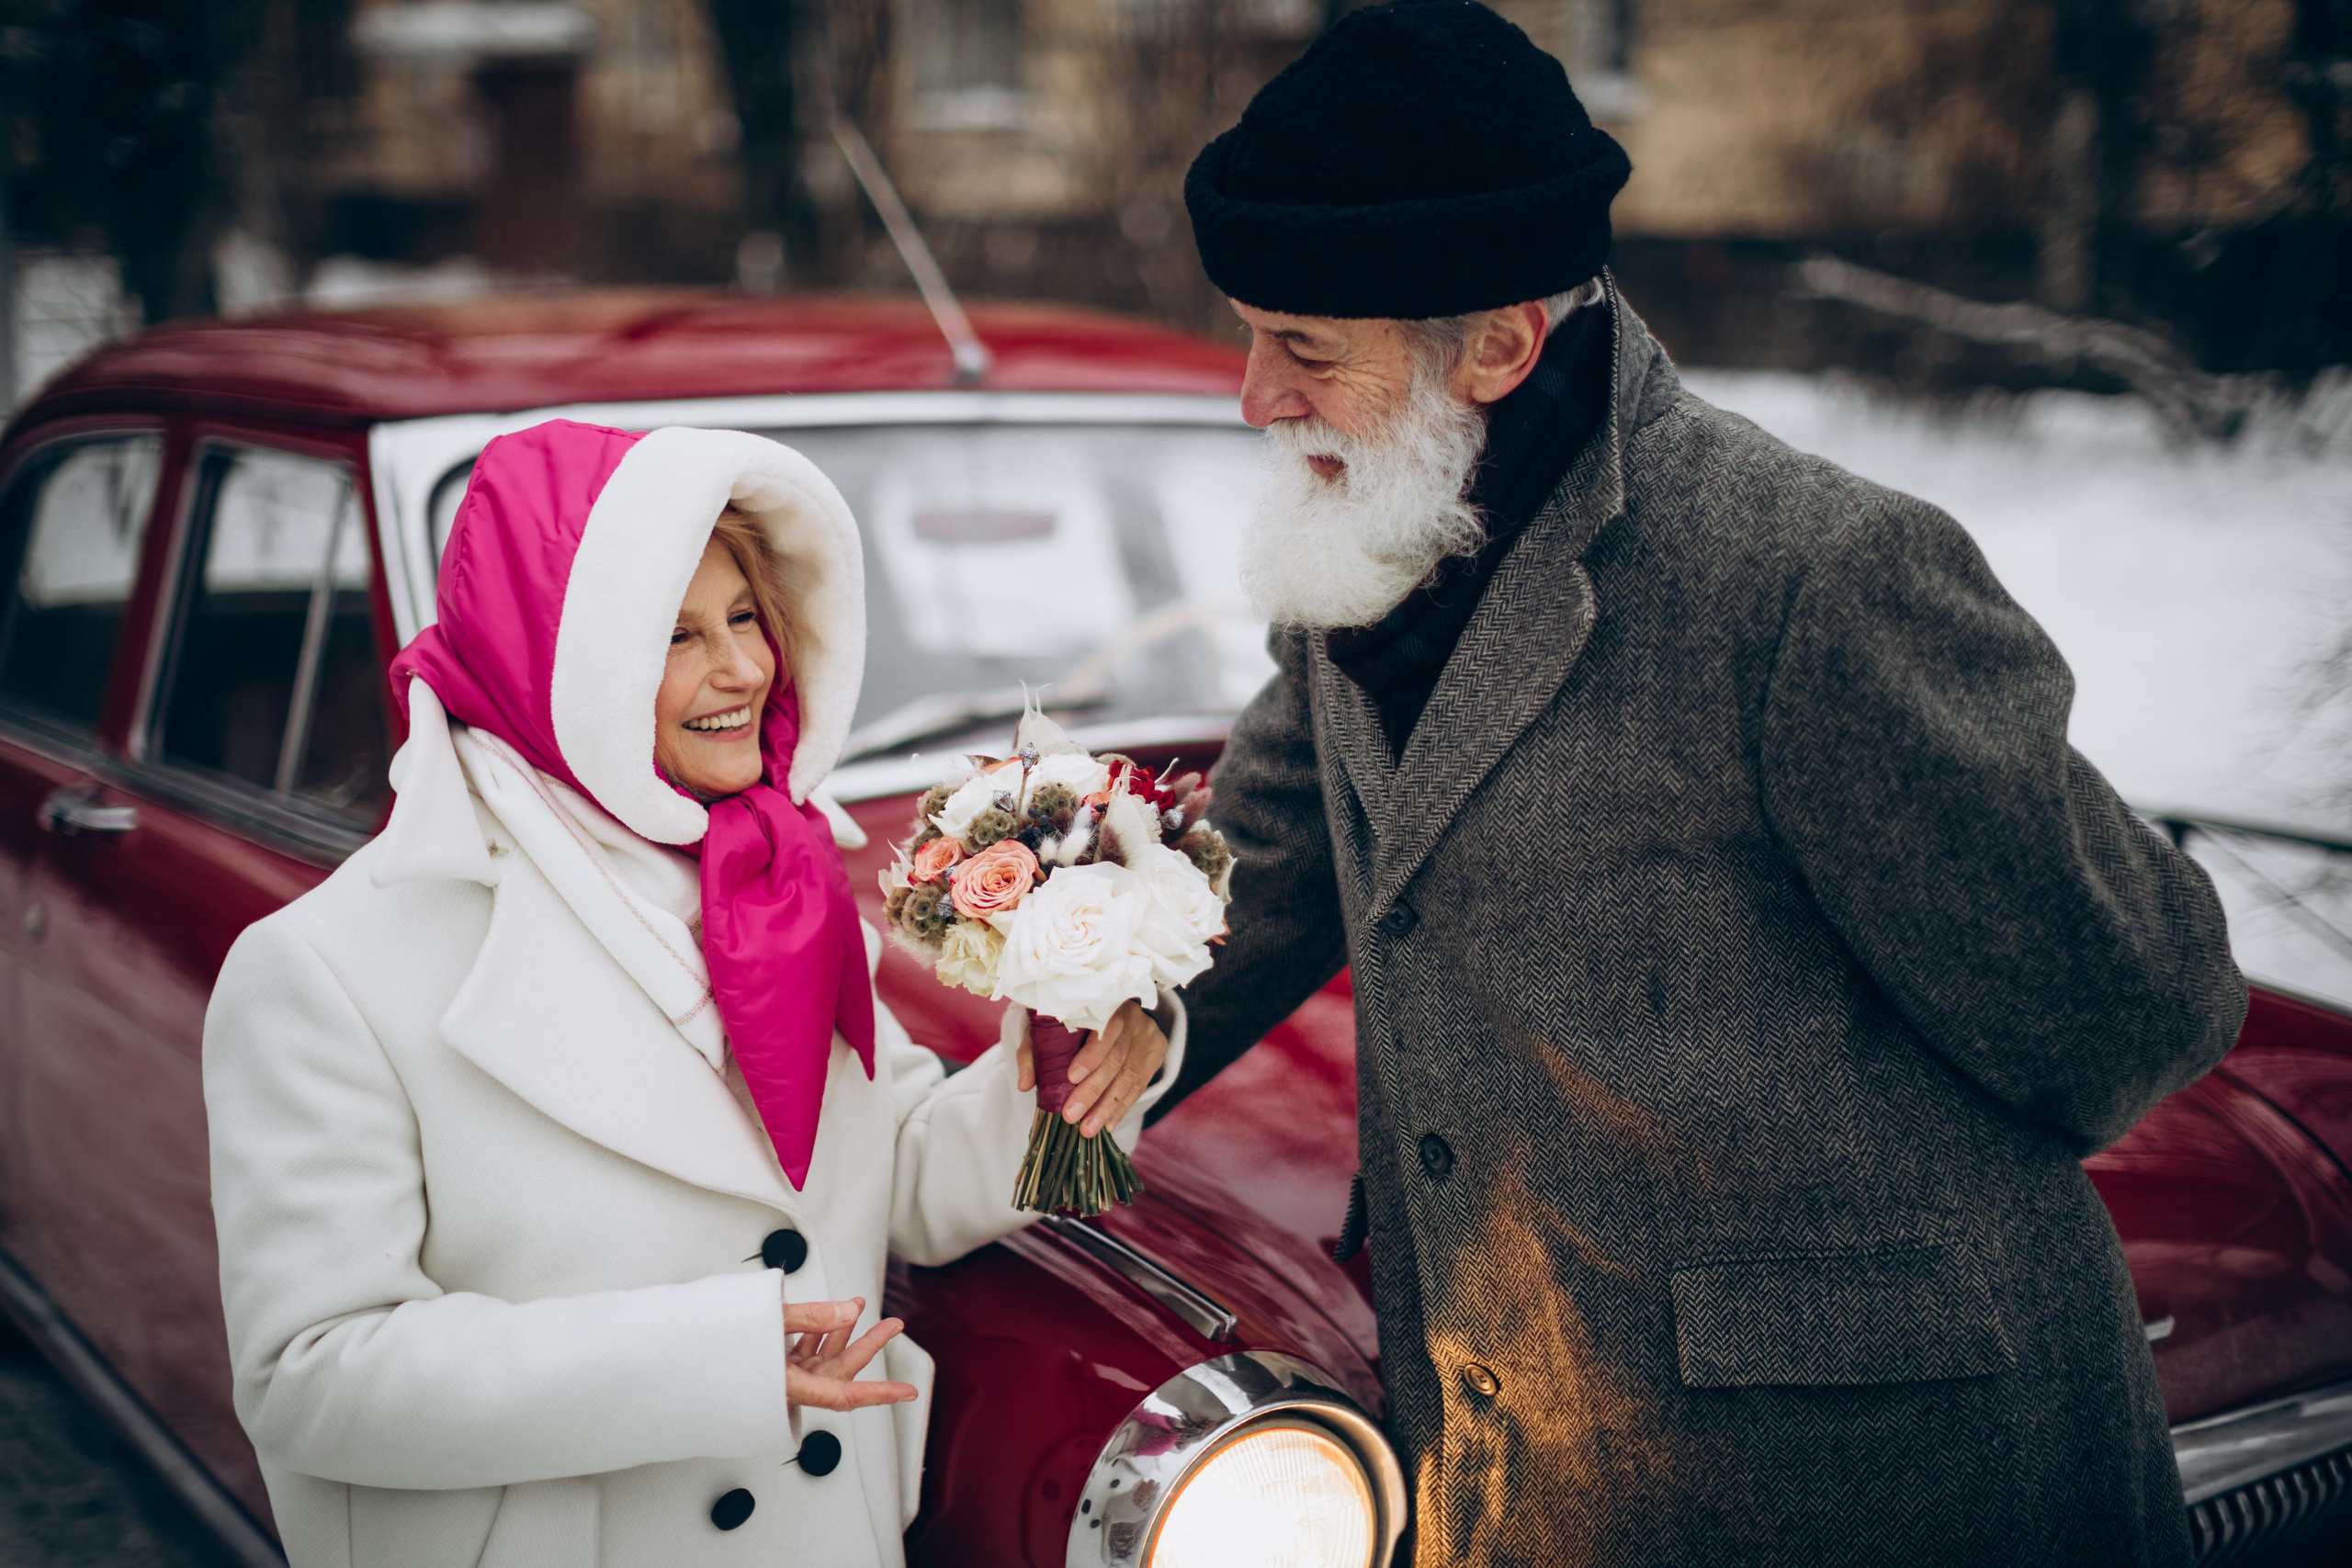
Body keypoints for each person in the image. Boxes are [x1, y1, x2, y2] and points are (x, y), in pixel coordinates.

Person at [1163, 4, 2245, 1565]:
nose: (1255, 395)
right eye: (1253, 336)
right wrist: (988, 1091)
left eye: (1306, 349)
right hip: (1514, 1468)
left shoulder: (1812, 575)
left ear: (1499, 343)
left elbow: (2134, 1000)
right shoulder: (1374, 531)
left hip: (1875, 1487)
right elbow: (1255, 870)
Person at [202, 419, 1178, 1567]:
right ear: (555, 655)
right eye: (672, 634)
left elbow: (893, 1180)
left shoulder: (785, 876)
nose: (744, 670)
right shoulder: (329, 967)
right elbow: (311, 1375)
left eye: (745, 616)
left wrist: (1069, 1063)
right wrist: (708, 1365)